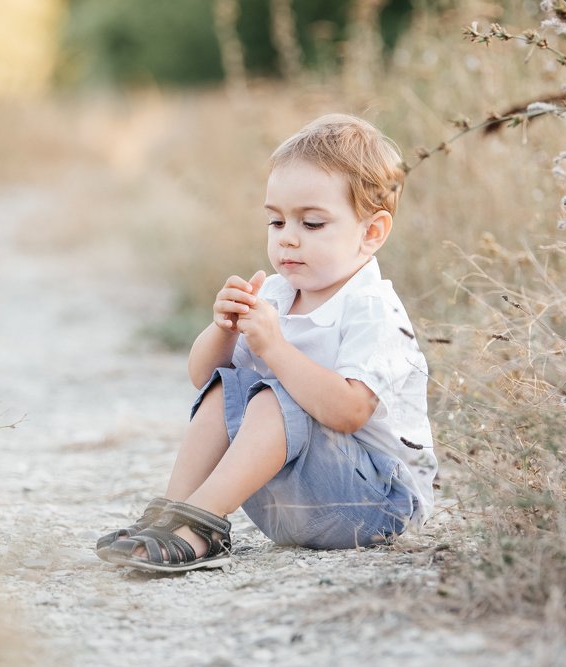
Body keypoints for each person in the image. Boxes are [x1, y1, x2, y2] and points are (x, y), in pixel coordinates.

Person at [95, 113, 438, 573]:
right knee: (231, 385)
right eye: (276, 221)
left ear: (371, 233)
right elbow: (205, 380)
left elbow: (350, 411)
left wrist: (276, 348)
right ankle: (175, 514)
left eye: (312, 224)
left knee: (278, 395)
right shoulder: (276, 294)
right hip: (292, 500)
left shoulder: (372, 308)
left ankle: (198, 524)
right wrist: (223, 329)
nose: (287, 239)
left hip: (374, 503)